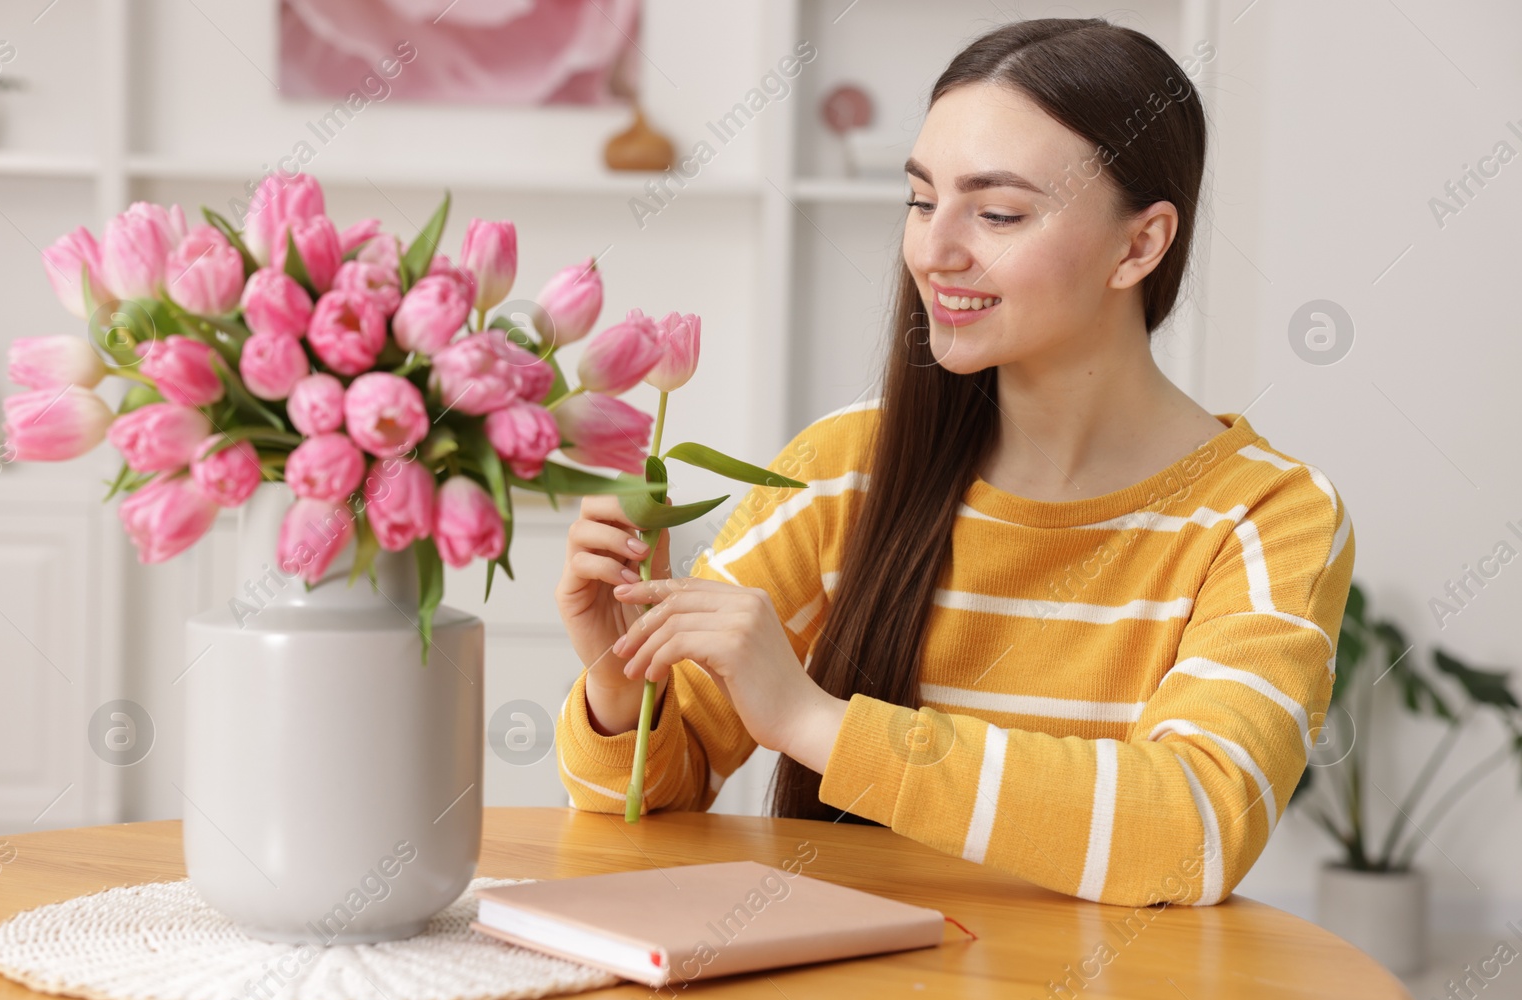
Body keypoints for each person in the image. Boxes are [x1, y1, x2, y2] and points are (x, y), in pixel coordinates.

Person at [551, 18, 1353, 907]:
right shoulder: (842, 471)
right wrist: (619, 692)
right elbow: (647, 804)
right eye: (923, 200)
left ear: (1141, 245)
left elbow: (1192, 831)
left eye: (998, 212)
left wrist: (815, 723)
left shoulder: (1265, 515)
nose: (934, 250)